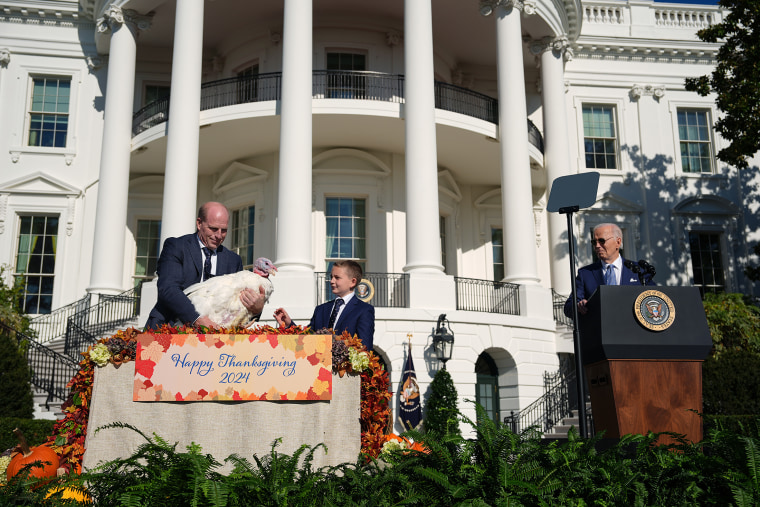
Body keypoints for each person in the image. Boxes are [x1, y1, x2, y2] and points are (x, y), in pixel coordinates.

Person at [145, 202, 266, 329]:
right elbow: (168, 289)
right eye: (213, 228)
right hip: (168, 327)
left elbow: (239, 305)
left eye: (224, 230)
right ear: (199, 223)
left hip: (216, 338)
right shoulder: (176, 246)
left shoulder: (233, 260)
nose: (219, 235)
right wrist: (198, 319)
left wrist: (257, 309)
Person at [274, 260, 375, 350]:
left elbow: (364, 347)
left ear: (352, 282)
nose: (331, 281)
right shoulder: (321, 309)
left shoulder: (364, 310)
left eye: (337, 278)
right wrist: (288, 324)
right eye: (331, 277)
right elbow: (306, 338)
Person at [563, 223, 654, 318]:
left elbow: (656, 297)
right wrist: (579, 306)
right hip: (600, 330)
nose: (597, 246)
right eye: (594, 242)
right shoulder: (586, 273)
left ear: (618, 242)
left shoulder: (638, 270)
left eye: (602, 241)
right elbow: (569, 307)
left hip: (632, 329)